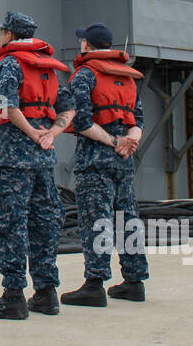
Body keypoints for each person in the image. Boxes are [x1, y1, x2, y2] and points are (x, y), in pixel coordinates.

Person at [0, 12, 73, 319]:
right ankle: (46, 293)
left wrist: (31, 133)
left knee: (9, 223)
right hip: (44, 160)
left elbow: (7, 106)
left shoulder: (10, 64)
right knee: (44, 223)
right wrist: (51, 134)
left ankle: (13, 296)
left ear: (8, 34)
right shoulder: (49, 70)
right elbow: (68, 109)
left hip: (13, 160)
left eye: (2, 31)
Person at [61, 22, 148, 307]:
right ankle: (134, 281)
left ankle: (95, 283)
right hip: (124, 162)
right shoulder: (128, 78)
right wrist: (128, 143)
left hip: (95, 161)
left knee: (96, 220)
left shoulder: (84, 75)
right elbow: (138, 121)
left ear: (86, 45)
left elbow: (82, 122)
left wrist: (113, 142)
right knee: (127, 218)